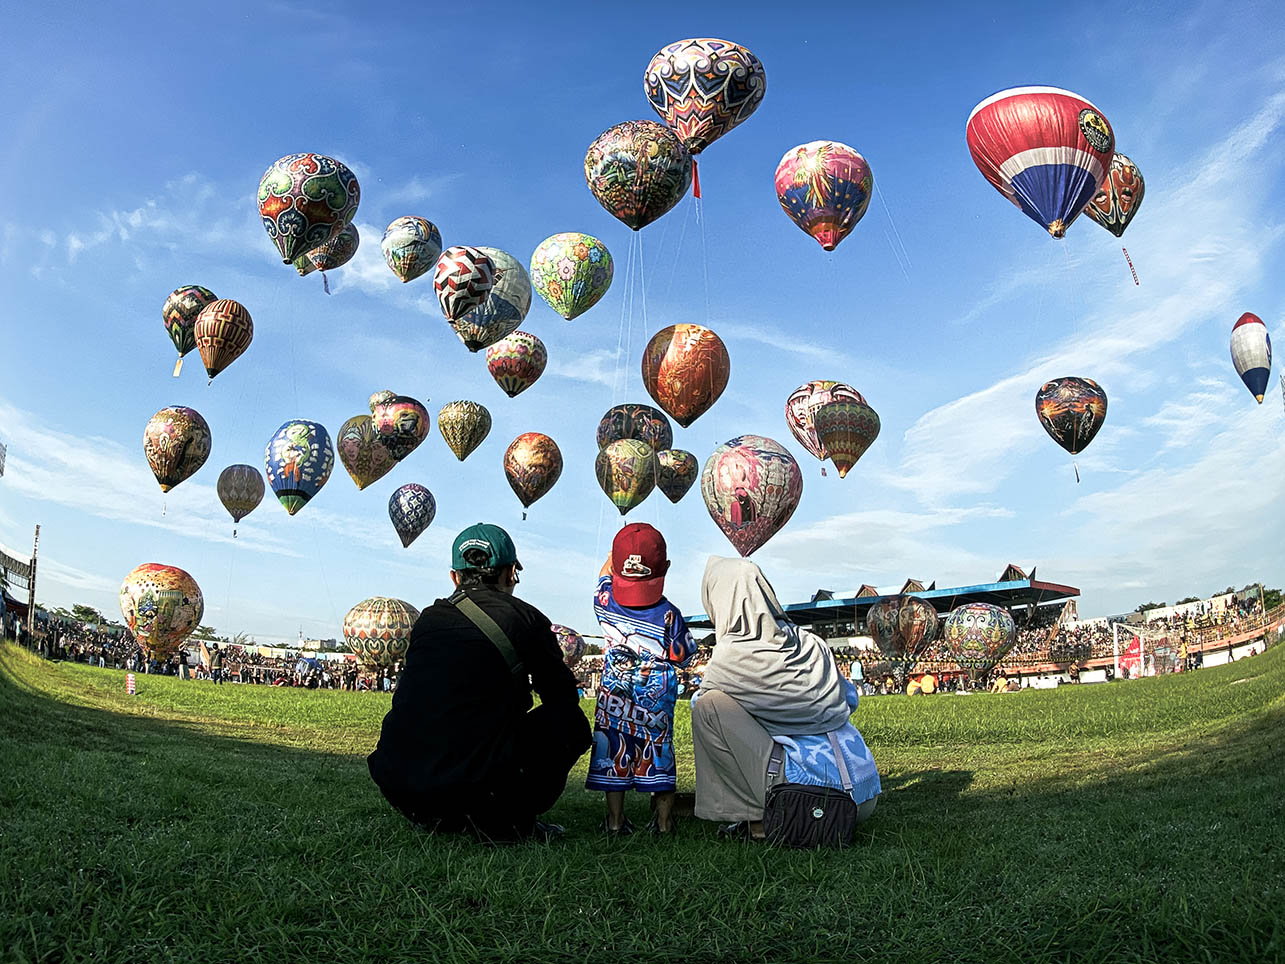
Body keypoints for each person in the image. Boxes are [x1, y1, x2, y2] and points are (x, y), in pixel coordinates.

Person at [368, 523, 591, 843]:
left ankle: (441, 812)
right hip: (474, 786)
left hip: (400, 785)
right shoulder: (525, 618)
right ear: (510, 573)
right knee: (570, 724)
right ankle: (512, 822)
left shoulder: (427, 620)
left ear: (454, 577)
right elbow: (563, 697)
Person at [690, 557, 880, 841]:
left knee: (707, 707)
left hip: (805, 800)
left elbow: (713, 717)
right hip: (861, 792)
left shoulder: (730, 657)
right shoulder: (813, 643)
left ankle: (759, 822)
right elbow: (849, 700)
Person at [586, 523, 696, 835]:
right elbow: (685, 657)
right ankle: (663, 823)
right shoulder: (669, 613)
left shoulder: (603, 600)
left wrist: (616, 558)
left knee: (612, 749)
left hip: (613, 691)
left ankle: (615, 821)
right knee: (659, 750)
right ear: (666, 568)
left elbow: (602, 576)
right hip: (656, 693)